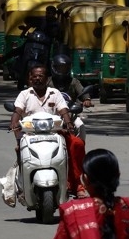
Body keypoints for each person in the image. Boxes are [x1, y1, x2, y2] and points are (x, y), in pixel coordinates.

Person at [11, 64, 84, 198]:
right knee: (19, 151)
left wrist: (68, 122)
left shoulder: (55, 93)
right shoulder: (24, 94)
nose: (37, 79)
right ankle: (22, 185)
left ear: (47, 79)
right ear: (29, 79)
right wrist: (14, 122)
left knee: (76, 144)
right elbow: (17, 111)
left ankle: (77, 183)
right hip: (30, 134)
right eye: (34, 76)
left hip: (55, 133)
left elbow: (63, 110)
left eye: (41, 76)